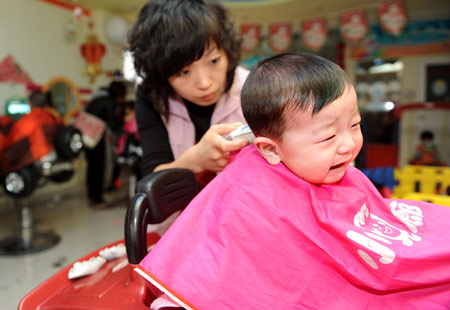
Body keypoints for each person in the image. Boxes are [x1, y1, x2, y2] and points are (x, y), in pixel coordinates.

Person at [137, 52, 450, 309]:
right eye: (328, 135)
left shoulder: (329, 164)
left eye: (355, 124)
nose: (348, 145)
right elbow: (217, 259)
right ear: (271, 150)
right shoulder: (251, 192)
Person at [128, 0, 250, 183]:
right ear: (161, 73)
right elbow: (153, 175)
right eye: (183, 72)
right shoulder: (152, 97)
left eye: (214, 61)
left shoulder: (254, 87)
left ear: (226, 50)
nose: (204, 83)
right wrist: (195, 160)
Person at [84, 80, 126, 208]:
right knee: (98, 168)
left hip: (86, 136)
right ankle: (97, 200)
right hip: (95, 137)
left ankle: (93, 196)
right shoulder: (109, 101)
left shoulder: (98, 97)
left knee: (92, 167)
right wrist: (127, 126)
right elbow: (113, 124)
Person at [1, 90, 61, 174]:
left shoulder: (29, 120)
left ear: (29, 103)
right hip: (51, 152)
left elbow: (14, 139)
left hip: (36, 156)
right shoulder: (52, 117)